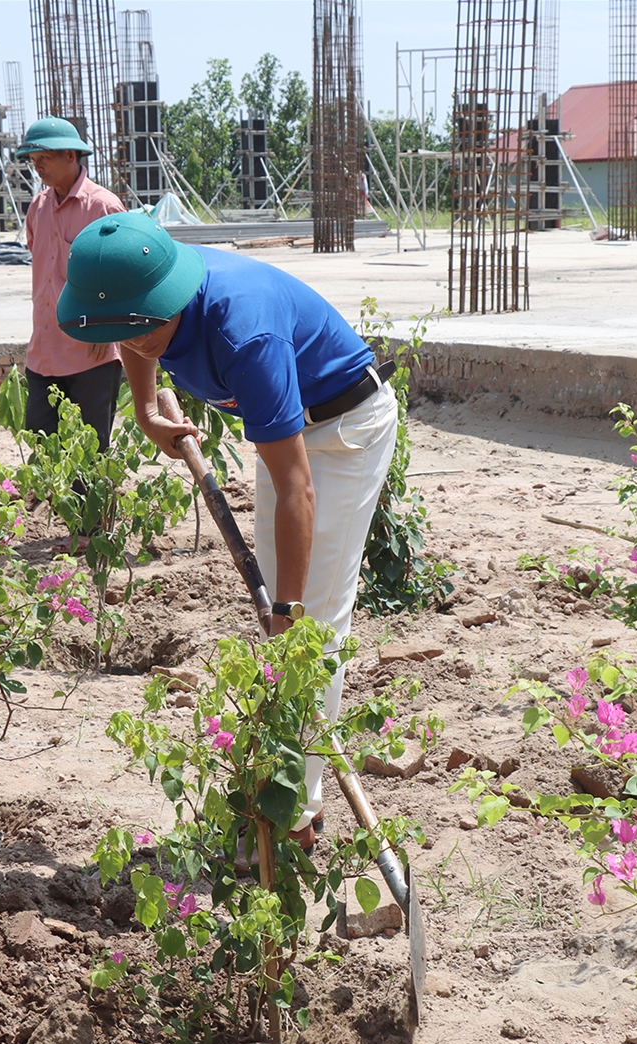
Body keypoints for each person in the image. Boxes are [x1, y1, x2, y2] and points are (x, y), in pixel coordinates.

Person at [57, 212, 396, 848]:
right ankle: (278, 792)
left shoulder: (245, 336)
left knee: (310, 624)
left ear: (167, 303)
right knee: (279, 617)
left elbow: (297, 489)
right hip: (286, 426)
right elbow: (128, 334)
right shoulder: (145, 295)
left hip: (343, 429)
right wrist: (146, 409)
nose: (128, 341)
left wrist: (289, 612)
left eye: (137, 330)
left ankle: (294, 815)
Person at [16, 116, 128, 451]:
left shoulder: (103, 207)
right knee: (43, 449)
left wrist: (107, 331)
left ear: (70, 156)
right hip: (44, 351)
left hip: (90, 353)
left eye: (44, 158)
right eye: (33, 159)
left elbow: (124, 275)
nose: (38, 166)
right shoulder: (38, 208)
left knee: (90, 453)